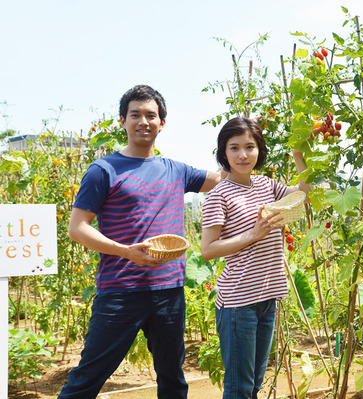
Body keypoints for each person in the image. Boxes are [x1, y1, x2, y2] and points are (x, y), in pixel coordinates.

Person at [58, 84, 224, 398]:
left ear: (163, 122)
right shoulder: (103, 170)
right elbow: (77, 228)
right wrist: (126, 252)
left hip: (168, 291)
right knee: (87, 378)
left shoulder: (176, 170)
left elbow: (223, 179)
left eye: (151, 115)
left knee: (173, 378)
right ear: (123, 120)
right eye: (135, 115)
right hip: (120, 290)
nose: (143, 121)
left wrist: (243, 147)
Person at [200, 117, 310, 399]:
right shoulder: (218, 195)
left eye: (250, 147)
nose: (242, 155)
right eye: (234, 147)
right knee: (239, 389)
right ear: (223, 152)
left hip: (267, 299)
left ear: (260, 150)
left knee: (255, 384)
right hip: (238, 303)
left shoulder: (268, 186)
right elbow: (208, 249)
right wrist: (252, 234)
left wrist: (299, 157)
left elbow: (303, 197)